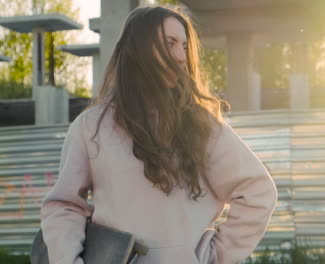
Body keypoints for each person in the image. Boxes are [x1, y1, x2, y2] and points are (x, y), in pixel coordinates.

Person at [40, 5, 277, 264]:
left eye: (184, 46)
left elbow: (258, 190)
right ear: (139, 49)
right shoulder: (90, 127)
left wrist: (215, 255)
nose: (180, 57)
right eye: (169, 43)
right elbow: (63, 206)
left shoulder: (201, 126)